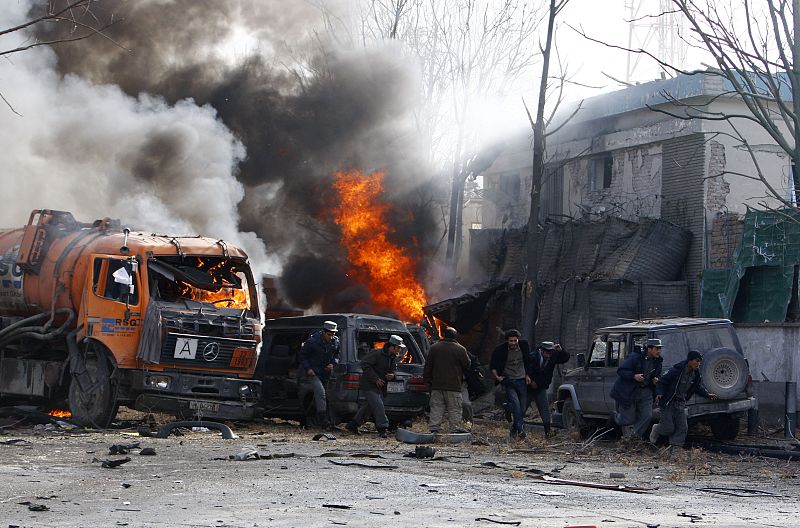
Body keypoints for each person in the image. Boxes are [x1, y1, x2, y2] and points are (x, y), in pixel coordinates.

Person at [650, 350, 717, 449]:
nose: (698, 364)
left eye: (700, 361)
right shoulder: (676, 370)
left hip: (681, 403)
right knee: (668, 428)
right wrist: (659, 393)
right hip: (668, 402)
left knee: (682, 428)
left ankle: (675, 449)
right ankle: (656, 429)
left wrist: (707, 394)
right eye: (697, 361)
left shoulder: (696, 374)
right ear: (690, 360)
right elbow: (662, 382)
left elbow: (696, 387)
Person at [346, 335, 402, 438]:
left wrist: (393, 376)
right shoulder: (376, 353)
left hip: (380, 387)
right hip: (369, 385)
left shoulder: (393, 357)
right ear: (392, 347)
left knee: (368, 407)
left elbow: (393, 371)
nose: (399, 350)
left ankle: (353, 424)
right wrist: (375, 379)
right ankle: (383, 428)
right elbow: (365, 364)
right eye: (398, 347)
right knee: (378, 406)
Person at [609, 338, 663, 441]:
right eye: (657, 348)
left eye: (660, 348)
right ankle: (615, 417)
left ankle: (633, 438)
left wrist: (656, 379)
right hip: (631, 391)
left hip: (646, 392)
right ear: (649, 349)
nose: (659, 351)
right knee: (628, 419)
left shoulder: (658, 361)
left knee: (647, 416)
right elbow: (621, 371)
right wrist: (634, 376)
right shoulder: (635, 357)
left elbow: (658, 374)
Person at [423, 327, 471, 434]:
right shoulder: (460, 349)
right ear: (455, 336)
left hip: (437, 385)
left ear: (443, 335)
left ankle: (434, 429)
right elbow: (467, 365)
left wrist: (427, 380)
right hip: (454, 386)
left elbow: (428, 366)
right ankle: (454, 430)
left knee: (436, 408)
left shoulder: (434, 348)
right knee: (454, 409)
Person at [490, 329, 531, 440]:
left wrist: (528, 375)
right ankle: (521, 430)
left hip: (522, 380)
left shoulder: (524, 346)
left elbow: (528, 361)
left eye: (515, 340)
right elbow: (493, 366)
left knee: (522, 408)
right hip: (509, 381)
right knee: (516, 405)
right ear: (507, 341)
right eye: (511, 341)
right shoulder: (500, 350)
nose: (513, 343)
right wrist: (498, 377)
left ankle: (512, 426)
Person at [299, 320, 340, 428]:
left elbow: (337, 355)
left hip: (325, 373)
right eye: (329, 334)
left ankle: (305, 418)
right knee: (321, 393)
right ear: (324, 332)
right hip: (313, 372)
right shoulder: (313, 341)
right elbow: (303, 355)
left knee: (317, 398)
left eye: (333, 334)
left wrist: (333, 364)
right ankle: (323, 421)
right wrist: (308, 368)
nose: (331, 337)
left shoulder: (335, 342)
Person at [527, 341, 570, 437]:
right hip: (529, 387)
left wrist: (561, 350)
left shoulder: (553, 356)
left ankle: (548, 432)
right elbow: (527, 370)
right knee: (522, 408)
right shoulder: (533, 356)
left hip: (541, 387)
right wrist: (531, 381)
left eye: (550, 353)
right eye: (547, 353)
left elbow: (565, 358)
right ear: (541, 351)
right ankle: (516, 429)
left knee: (545, 409)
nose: (548, 356)